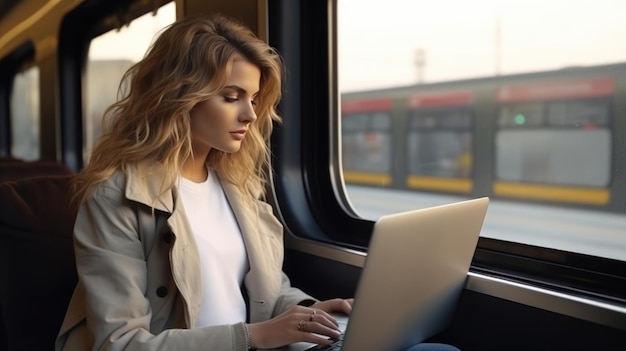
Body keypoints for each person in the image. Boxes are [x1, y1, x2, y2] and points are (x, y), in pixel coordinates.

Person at [55, 15, 460, 351]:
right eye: (231, 97)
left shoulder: (236, 187)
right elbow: (119, 343)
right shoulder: (115, 200)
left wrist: (310, 310)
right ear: (177, 96)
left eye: (252, 97)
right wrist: (254, 336)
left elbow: (265, 291)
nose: (250, 114)